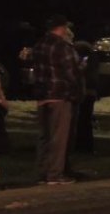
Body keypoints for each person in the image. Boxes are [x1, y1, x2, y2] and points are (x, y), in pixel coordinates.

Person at [33, 14, 83, 185]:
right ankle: (55, 174)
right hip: (59, 95)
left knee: (44, 137)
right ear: (61, 28)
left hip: (42, 96)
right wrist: (76, 88)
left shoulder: (39, 45)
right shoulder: (62, 46)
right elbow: (71, 72)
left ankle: (42, 172)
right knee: (58, 137)